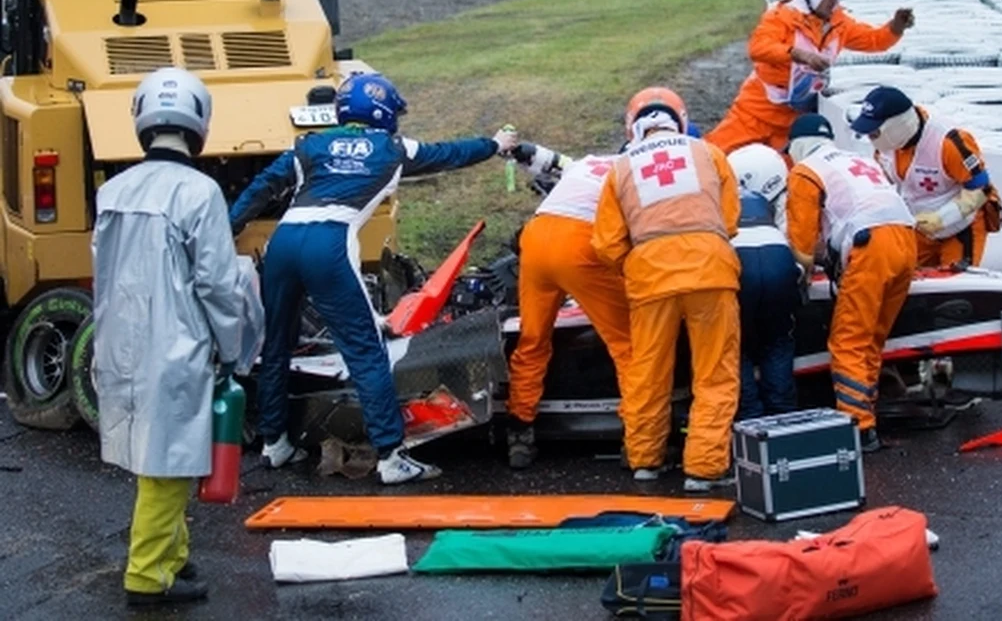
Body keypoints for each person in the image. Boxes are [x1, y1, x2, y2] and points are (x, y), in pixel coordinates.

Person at [227, 72, 519, 484]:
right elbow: (451, 153)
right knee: (366, 351)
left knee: (277, 344)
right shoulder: (392, 148)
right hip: (329, 244)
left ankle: (274, 443)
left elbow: (262, 188)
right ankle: (390, 455)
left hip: (284, 242)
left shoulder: (310, 144)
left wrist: (228, 226)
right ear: (382, 112)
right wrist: (494, 145)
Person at [92, 67, 245, 606]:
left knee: (155, 458)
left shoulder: (112, 191)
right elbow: (219, 285)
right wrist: (235, 347)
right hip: (176, 347)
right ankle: (147, 576)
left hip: (118, 343)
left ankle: (174, 557)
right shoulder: (200, 193)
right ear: (199, 122)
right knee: (168, 463)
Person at [592, 86, 742, 492]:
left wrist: (640, 264)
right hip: (710, 270)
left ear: (633, 127)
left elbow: (605, 243)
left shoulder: (620, 168)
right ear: (680, 118)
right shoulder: (709, 153)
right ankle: (705, 468)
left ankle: (644, 460)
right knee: (714, 373)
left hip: (649, 278)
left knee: (648, 372)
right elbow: (729, 220)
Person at [783, 113, 917, 452]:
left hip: (870, 246)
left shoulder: (805, 171)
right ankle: (869, 409)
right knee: (872, 337)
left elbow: (800, 247)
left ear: (797, 146)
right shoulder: (858, 159)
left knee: (848, 341)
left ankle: (859, 427)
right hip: (906, 239)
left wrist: (798, 280)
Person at [502, 142, 633, 469]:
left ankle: (519, 432)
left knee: (532, 339)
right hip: (580, 243)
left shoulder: (589, 161)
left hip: (537, 235)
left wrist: (523, 149)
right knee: (628, 344)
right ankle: (639, 439)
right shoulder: (637, 171)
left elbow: (550, 160)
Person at [704, 0, 913, 155]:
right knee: (715, 153)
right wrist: (798, 55)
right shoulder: (781, 17)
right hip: (759, 109)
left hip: (795, 118)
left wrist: (895, 28)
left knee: (788, 172)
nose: (834, 3)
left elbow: (873, 40)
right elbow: (758, 47)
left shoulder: (839, 24)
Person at [848, 85, 1002, 268]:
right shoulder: (885, 149)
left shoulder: (948, 142)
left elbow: (981, 188)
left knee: (953, 285)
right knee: (901, 276)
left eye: (874, 133)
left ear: (896, 126)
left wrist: (942, 218)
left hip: (961, 228)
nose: (870, 138)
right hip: (918, 227)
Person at [727, 144, 802, 421]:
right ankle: (784, 419)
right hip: (778, 256)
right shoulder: (775, 195)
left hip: (738, 261)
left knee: (735, 346)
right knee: (777, 341)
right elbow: (793, 236)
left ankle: (749, 419)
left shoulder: (716, 194)